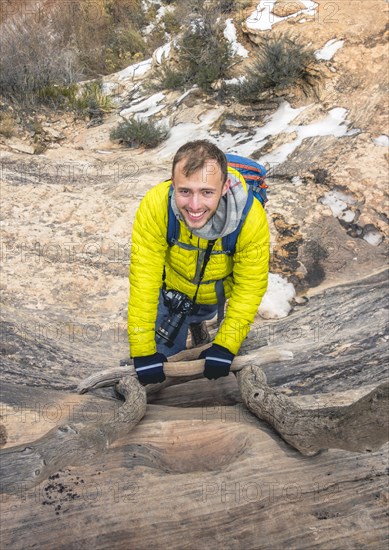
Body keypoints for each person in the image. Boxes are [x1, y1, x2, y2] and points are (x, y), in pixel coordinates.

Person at [128, 140, 269, 384]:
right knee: (158, 379)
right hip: (173, 294)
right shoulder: (156, 205)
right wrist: (142, 352)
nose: (194, 206)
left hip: (217, 297)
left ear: (225, 186)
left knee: (222, 377)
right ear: (173, 184)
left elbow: (250, 285)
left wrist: (226, 345)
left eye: (206, 192)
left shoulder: (250, 218)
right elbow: (144, 278)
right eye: (185, 191)